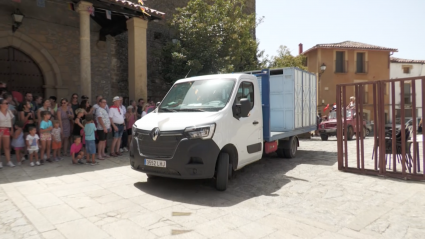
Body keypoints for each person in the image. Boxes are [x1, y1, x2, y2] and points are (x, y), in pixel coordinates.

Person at [0, 98, 15, 168]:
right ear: (1, 105)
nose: (7, 105)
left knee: (7, 147)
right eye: (6, 103)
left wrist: (11, 129)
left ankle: (8, 161)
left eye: (7, 103)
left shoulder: (9, 112)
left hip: (6, 129)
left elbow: (11, 121)